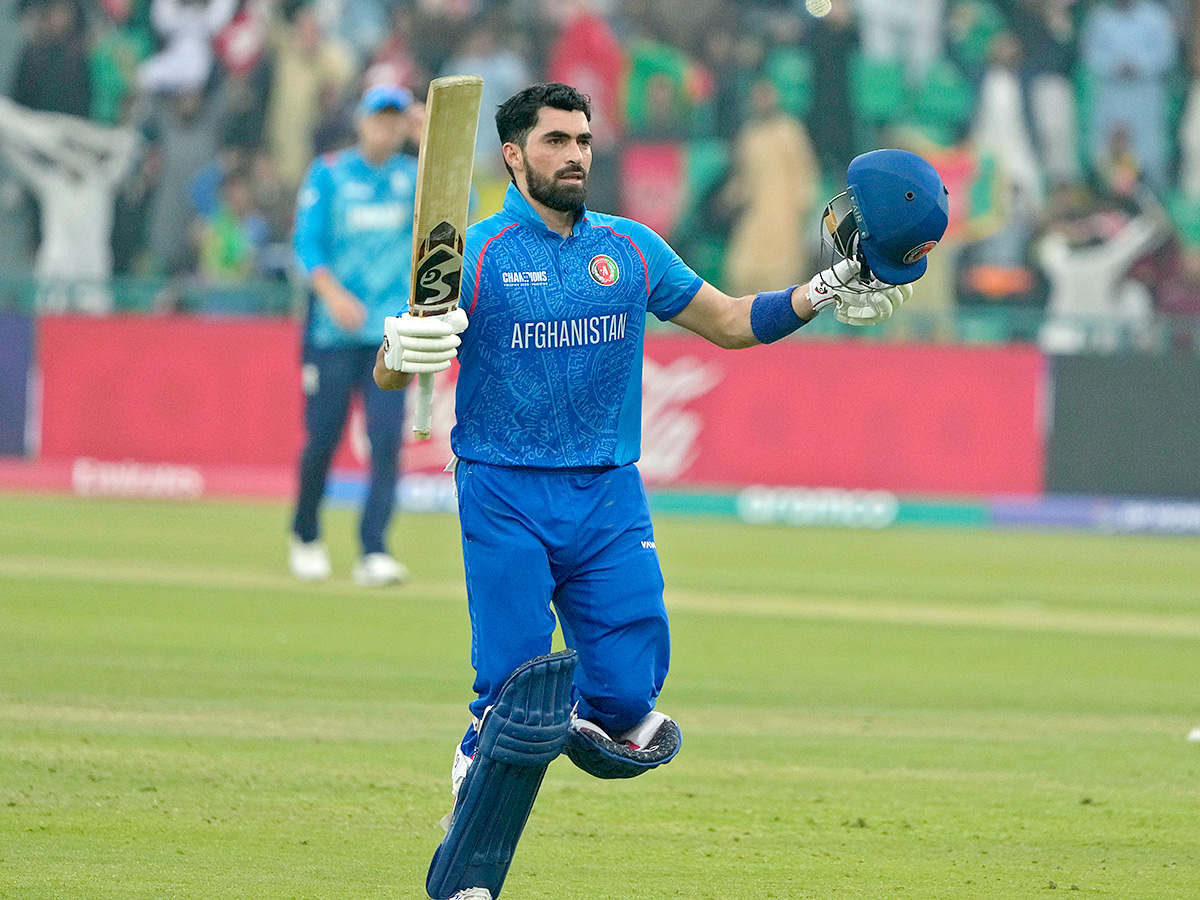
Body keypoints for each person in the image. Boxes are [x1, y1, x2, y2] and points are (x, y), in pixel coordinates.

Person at [373, 83, 946, 900]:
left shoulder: (630, 248)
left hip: (608, 494)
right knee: (514, 690)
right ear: (512, 154)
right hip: (505, 489)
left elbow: (734, 321)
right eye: (554, 142)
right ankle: (476, 823)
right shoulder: (478, 253)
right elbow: (395, 369)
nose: (574, 155)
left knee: (630, 704)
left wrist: (822, 290)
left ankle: (542, 725)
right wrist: (405, 345)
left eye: (582, 140)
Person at [288, 84, 418, 586]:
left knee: (386, 441)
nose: (386, 129)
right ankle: (305, 534)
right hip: (332, 332)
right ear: (361, 122)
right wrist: (332, 294)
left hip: (391, 334)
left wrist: (432, 144)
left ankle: (374, 549)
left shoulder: (415, 176)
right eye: (379, 119)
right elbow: (306, 243)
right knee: (322, 438)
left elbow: (457, 215)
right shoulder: (330, 173)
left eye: (395, 121)